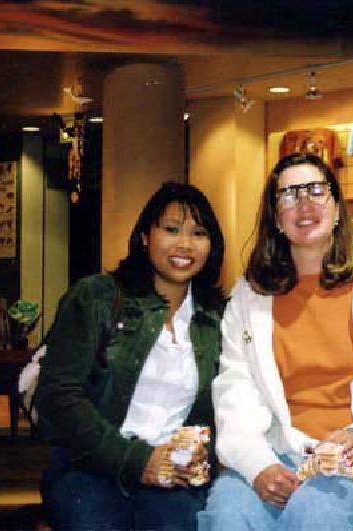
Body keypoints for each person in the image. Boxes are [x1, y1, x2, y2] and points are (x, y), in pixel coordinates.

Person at [197, 153, 353, 530]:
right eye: (288, 195)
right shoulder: (249, 296)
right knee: (228, 517)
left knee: (315, 513)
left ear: (337, 207)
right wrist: (258, 465)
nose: (304, 204)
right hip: (275, 452)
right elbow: (234, 393)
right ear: (275, 217)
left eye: (316, 191)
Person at [36, 182, 226, 531]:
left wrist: (201, 455)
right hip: (91, 467)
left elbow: (226, 405)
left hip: (174, 474)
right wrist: (137, 460)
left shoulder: (216, 318)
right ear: (144, 237)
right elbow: (57, 397)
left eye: (198, 233)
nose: (184, 244)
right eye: (171, 229)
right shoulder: (96, 297)